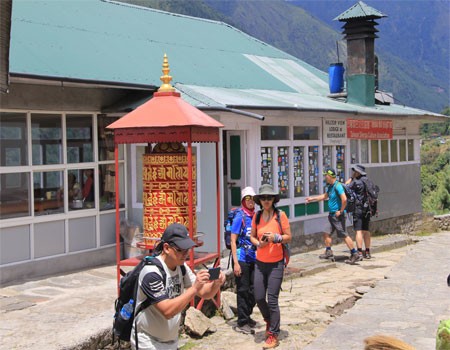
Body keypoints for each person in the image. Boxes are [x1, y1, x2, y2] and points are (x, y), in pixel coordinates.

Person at [131, 223, 225, 350]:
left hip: (171, 341)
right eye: (180, 250)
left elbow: (205, 293)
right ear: (166, 248)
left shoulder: (181, 266)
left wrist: (216, 283)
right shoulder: (151, 273)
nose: (185, 254)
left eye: (187, 250)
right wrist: (194, 288)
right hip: (148, 341)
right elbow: (167, 311)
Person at [250, 184, 292, 349]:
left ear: (274, 199)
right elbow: (252, 237)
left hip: (276, 263)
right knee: (259, 297)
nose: (266, 201)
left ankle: (273, 334)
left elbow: (289, 237)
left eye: (269, 198)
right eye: (263, 198)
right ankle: (269, 320)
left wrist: (276, 237)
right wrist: (258, 244)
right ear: (259, 200)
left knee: (272, 299)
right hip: (260, 263)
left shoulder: (280, 216)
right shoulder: (257, 216)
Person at [305, 168, 361, 265]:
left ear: (330, 176)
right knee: (326, 232)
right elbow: (324, 196)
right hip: (332, 216)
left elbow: (344, 199)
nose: (325, 177)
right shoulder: (330, 187)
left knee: (344, 235)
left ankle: (354, 253)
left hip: (337, 216)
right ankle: (328, 252)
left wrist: (341, 211)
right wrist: (312, 199)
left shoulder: (338, 186)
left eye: (326, 175)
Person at [230, 186, 257, 335]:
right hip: (241, 258)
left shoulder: (255, 216)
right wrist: (235, 263)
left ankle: (246, 315)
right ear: (243, 201)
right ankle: (242, 322)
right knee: (243, 290)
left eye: (253, 198)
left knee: (255, 289)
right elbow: (233, 241)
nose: (251, 201)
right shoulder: (239, 216)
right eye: (248, 198)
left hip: (254, 257)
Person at [345, 164, 372, 259]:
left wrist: (351, 178)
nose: (353, 173)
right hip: (368, 209)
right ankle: (367, 252)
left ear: (358, 172)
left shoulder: (356, 182)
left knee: (359, 231)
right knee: (366, 230)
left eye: (355, 171)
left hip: (358, 209)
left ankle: (359, 252)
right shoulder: (368, 181)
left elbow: (345, 187)